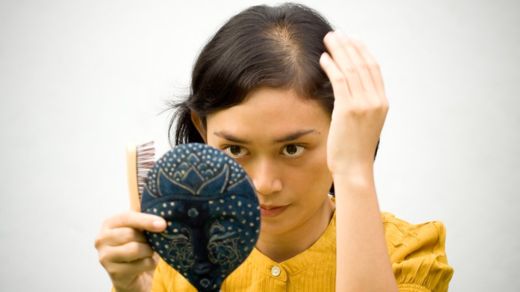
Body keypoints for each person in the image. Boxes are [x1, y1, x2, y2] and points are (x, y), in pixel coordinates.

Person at [95, 3, 454, 291]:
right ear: (202, 130)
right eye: (235, 149)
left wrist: (355, 168)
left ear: (342, 133)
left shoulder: (407, 256)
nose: (264, 184)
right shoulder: (173, 262)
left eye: (293, 149)